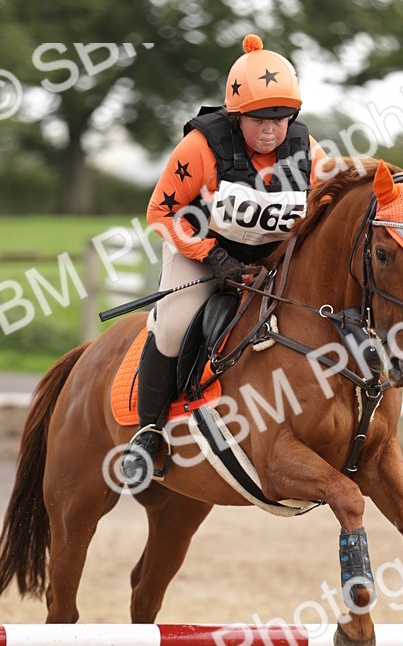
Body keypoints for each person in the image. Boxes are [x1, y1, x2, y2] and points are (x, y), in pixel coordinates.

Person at [122, 34, 327, 486]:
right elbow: (161, 211)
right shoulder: (202, 147)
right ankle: (149, 432)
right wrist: (211, 257)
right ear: (236, 116)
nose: (271, 131)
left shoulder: (306, 151)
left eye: (281, 118)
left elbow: (328, 201)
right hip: (202, 253)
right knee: (174, 324)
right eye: (259, 120)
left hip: (268, 261)